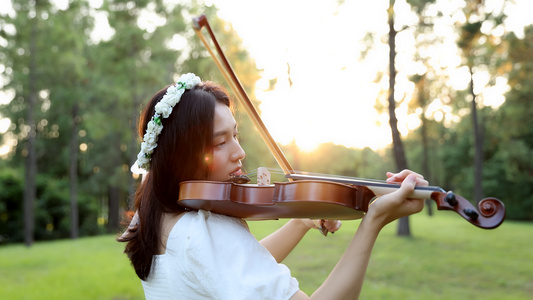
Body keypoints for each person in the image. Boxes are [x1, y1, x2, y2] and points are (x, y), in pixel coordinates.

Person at [118, 73, 428, 299]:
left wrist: (300, 223)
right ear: (182, 156)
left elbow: (227, 269)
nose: (239, 152)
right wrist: (373, 220)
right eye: (220, 142)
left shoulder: (151, 220)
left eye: (235, 136)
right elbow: (223, 256)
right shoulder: (205, 232)